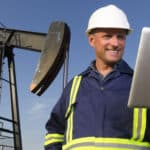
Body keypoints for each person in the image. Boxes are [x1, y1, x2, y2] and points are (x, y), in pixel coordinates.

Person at [44, 4, 150, 150]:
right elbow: (54, 133)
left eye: (120, 37)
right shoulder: (74, 86)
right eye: (107, 36)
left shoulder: (142, 85)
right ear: (91, 40)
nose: (115, 43)